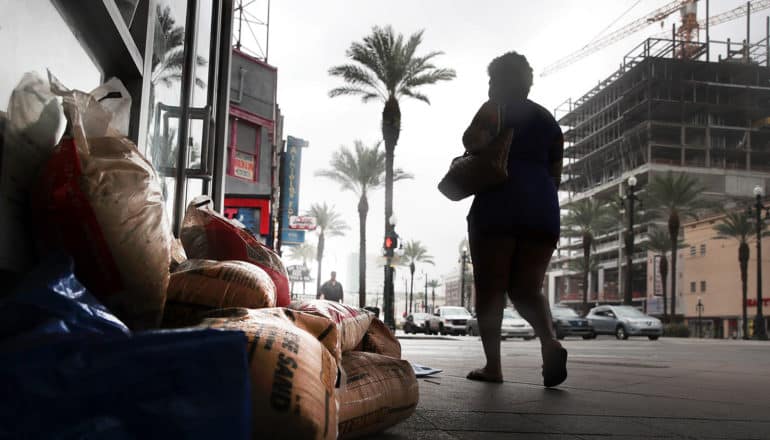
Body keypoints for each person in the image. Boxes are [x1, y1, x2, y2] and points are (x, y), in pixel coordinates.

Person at [462, 51, 567, 387]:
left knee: (491, 290)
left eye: (493, 79)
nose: (490, 85)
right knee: (527, 288)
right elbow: (556, 175)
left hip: (499, 205)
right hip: (543, 210)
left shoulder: (496, 107)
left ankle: (493, 367)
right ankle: (550, 343)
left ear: (502, 81)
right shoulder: (550, 122)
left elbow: (471, 141)